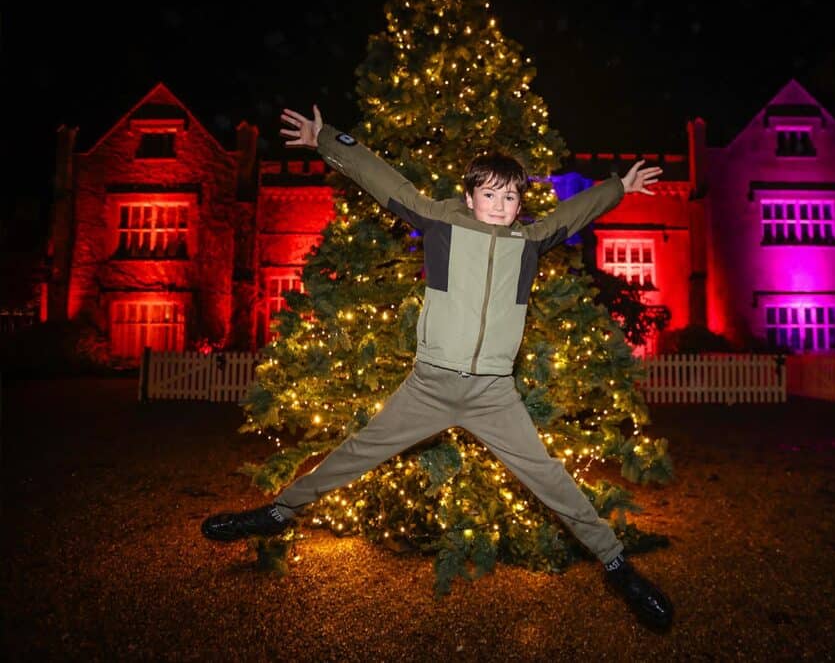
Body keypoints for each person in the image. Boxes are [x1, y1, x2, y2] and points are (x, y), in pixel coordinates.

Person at [202, 105, 673, 631]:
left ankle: (617, 565)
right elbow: (384, 179)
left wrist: (620, 187)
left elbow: (575, 212)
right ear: (470, 197)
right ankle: (277, 513)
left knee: (549, 478)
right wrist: (327, 140)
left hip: (494, 394)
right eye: (490, 194)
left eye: (511, 195)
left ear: (521, 202)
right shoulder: (442, 223)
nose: (500, 205)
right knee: (358, 452)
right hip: (430, 385)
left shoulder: (528, 242)